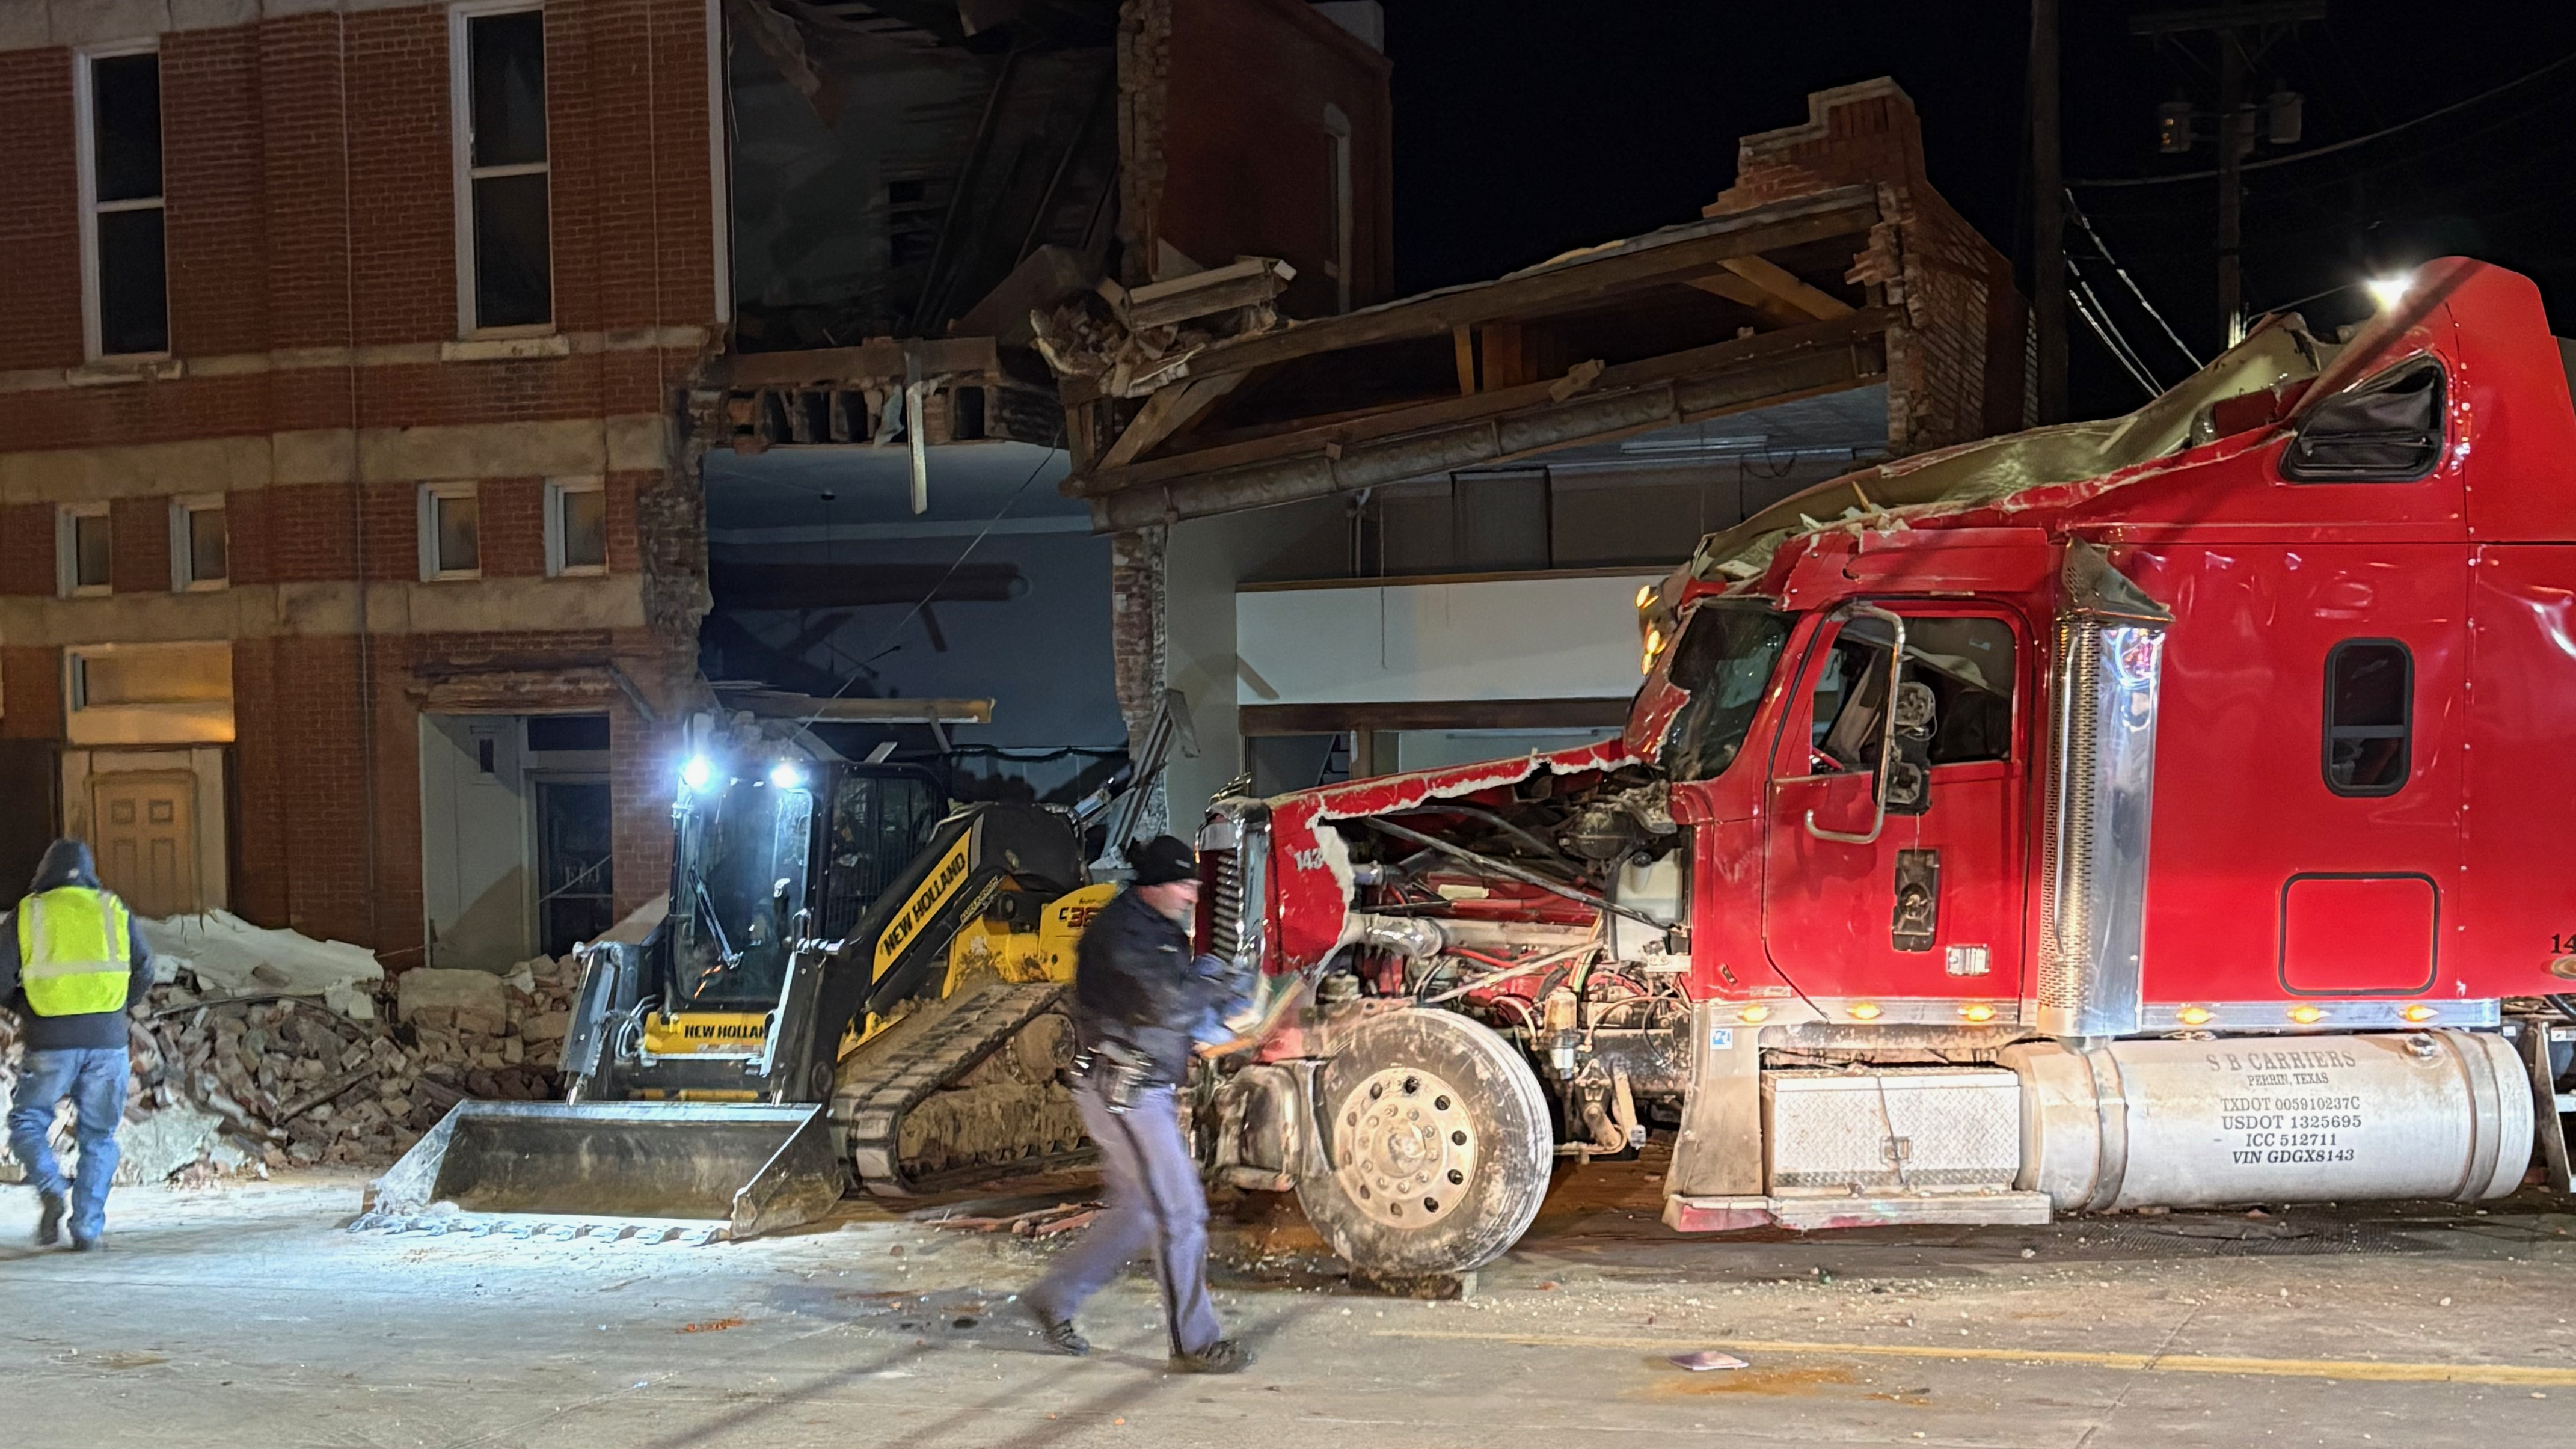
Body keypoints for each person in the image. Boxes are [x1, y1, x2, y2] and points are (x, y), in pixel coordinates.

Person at [1024, 834, 1253, 1374]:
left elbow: (1176, 1006)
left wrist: (1222, 998)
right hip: (1123, 1091)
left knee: (1137, 1211)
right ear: (1152, 886)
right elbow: (1169, 1004)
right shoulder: (1120, 935)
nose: (1192, 894)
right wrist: (1220, 981)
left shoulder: (1155, 929)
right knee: (1182, 1211)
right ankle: (1196, 1344)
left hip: (1131, 1084)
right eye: (1184, 883)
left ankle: (1054, 1298)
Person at [0, 840, 155, 1251]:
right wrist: (116, 1009)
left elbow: (0, 979)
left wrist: (27, 1007)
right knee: (99, 1137)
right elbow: (144, 969)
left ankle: (51, 1187)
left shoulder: (29, 912)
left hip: (50, 1041)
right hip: (107, 1043)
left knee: (28, 1122)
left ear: (44, 871)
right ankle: (87, 1228)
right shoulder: (111, 908)